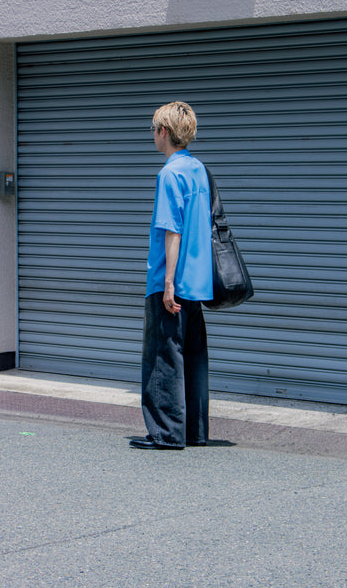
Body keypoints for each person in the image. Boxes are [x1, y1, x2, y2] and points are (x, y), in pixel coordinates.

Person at [129, 101, 213, 450]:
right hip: (197, 282)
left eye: (154, 129)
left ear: (164, 132)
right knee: (192, 358)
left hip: (171, 281)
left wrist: (167, 284)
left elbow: (172, 231)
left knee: (163, 357)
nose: (153, 135)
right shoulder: (198, 170)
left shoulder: (169, 174)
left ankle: (166, 433)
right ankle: (193, 431)